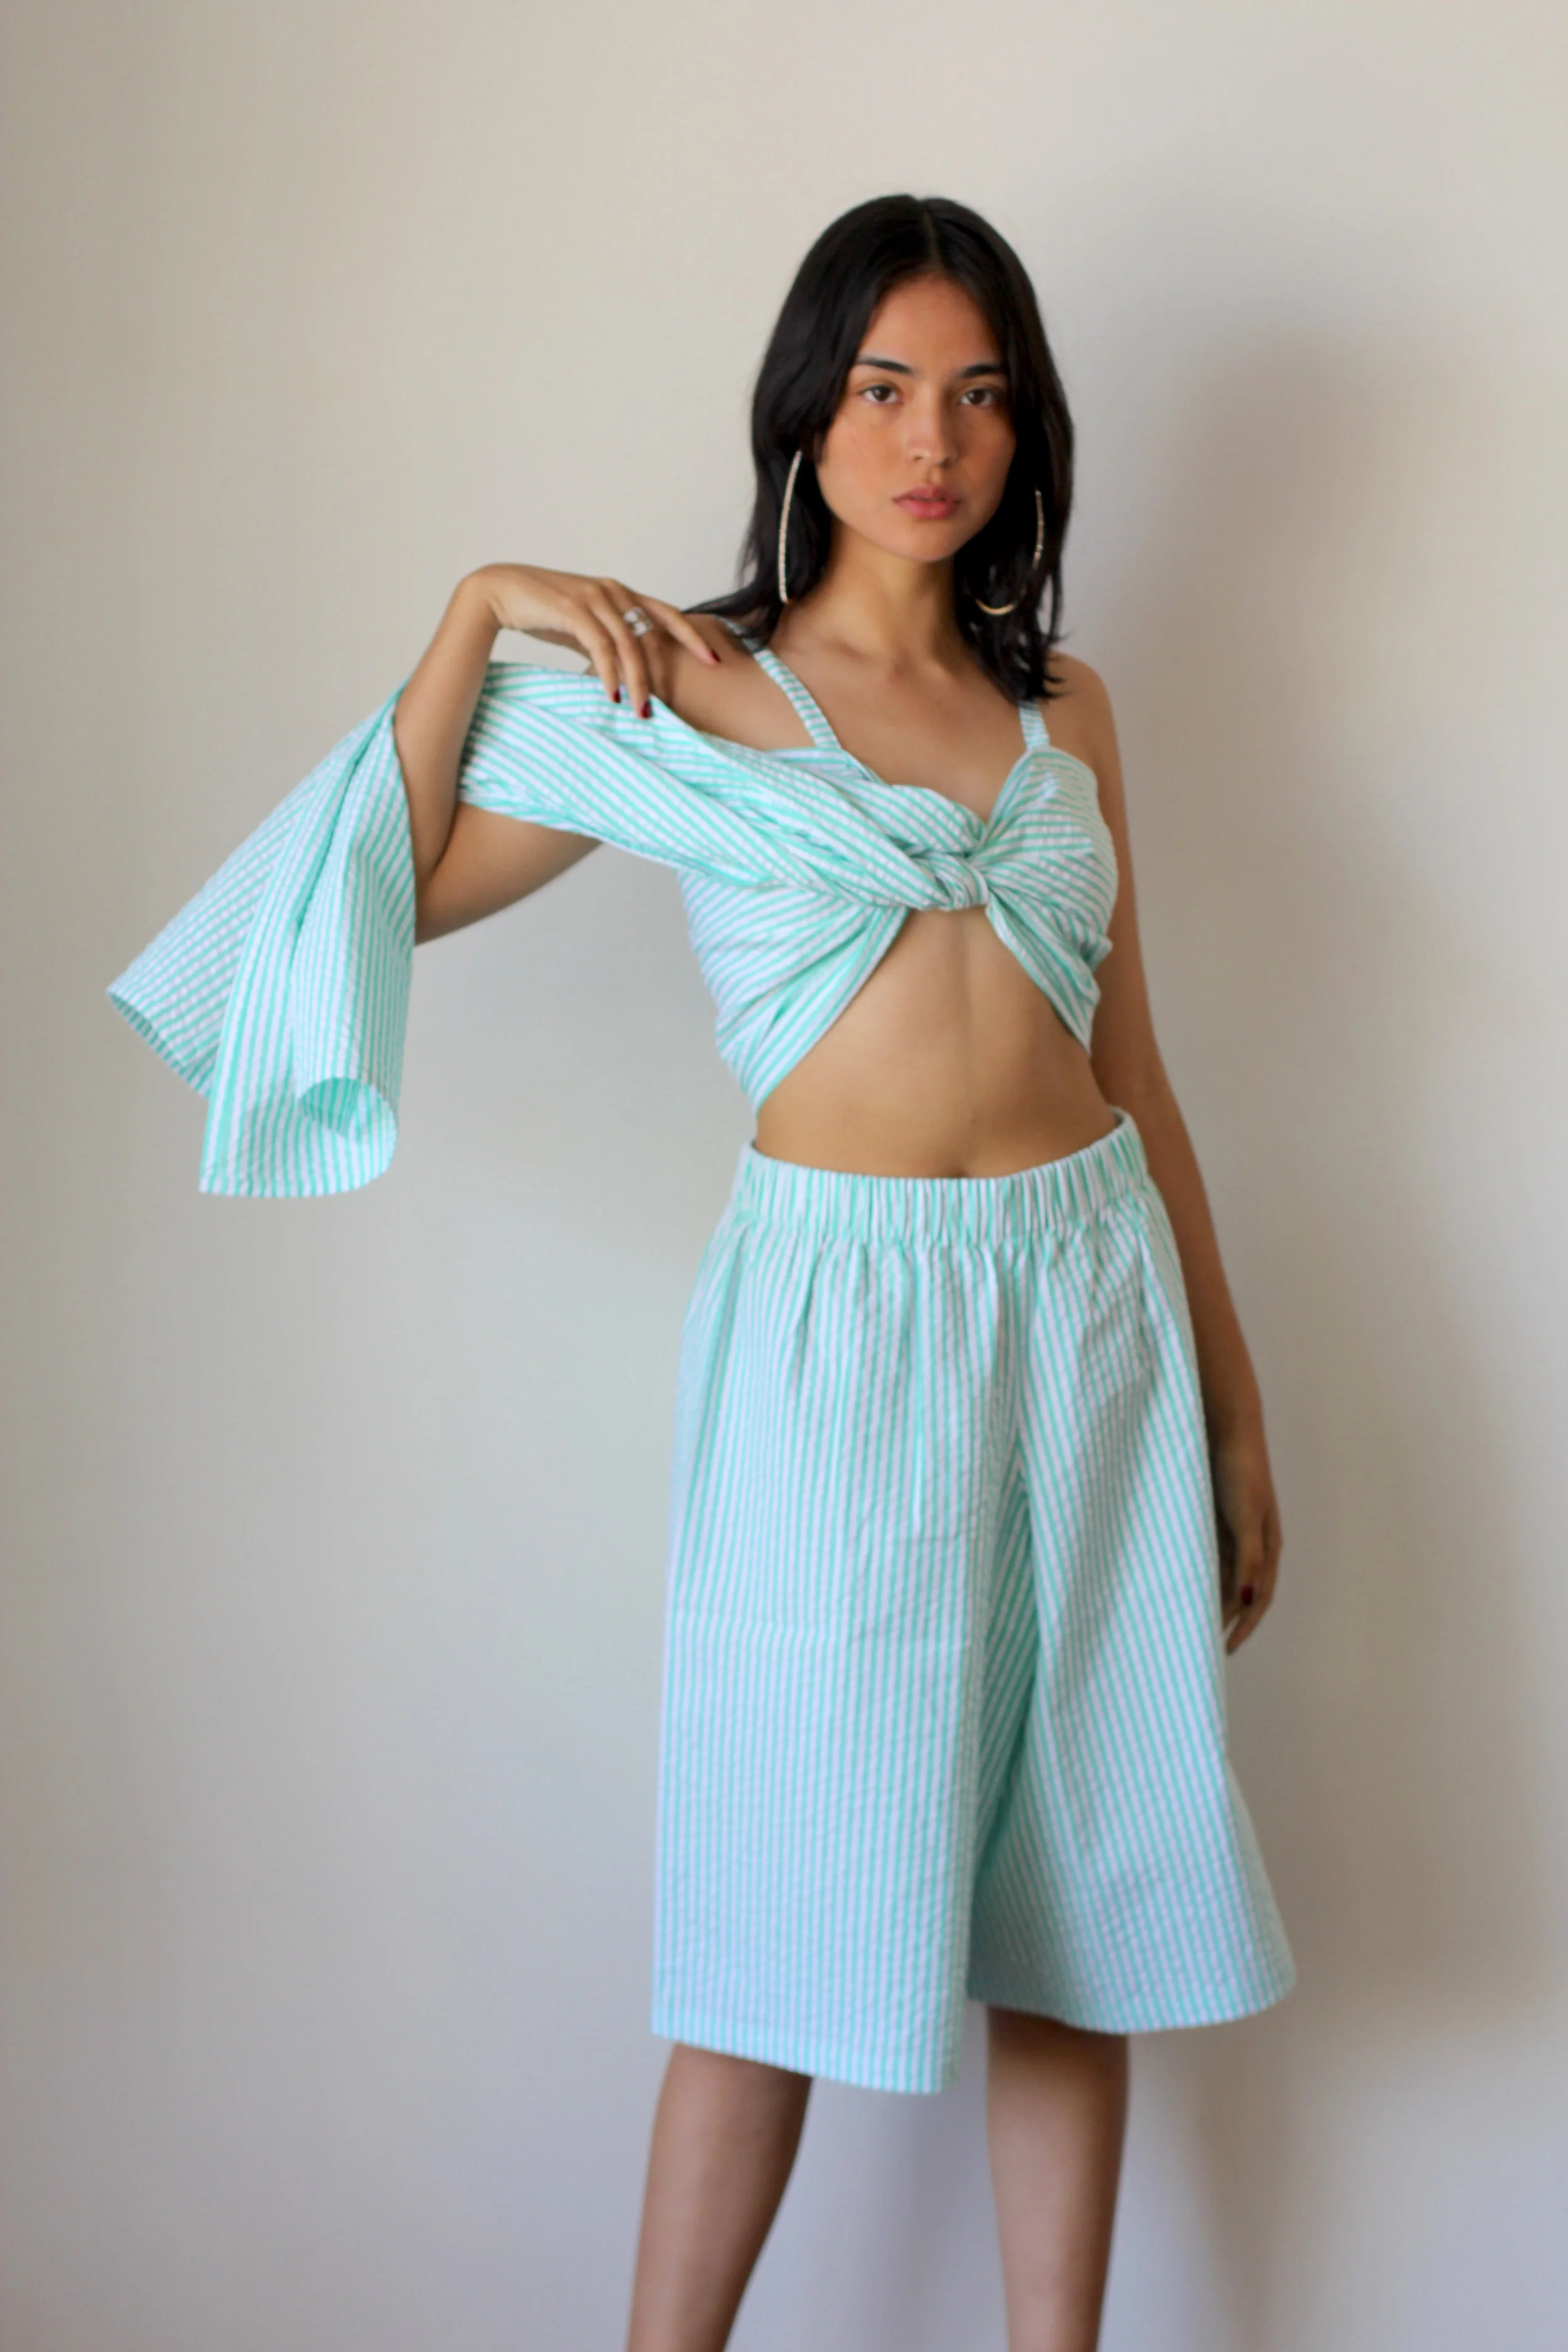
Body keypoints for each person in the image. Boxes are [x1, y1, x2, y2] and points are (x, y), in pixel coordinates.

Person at [110, 193, 1294, 2352]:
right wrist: (477, 609)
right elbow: (385, 877)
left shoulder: (1067, 706)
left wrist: (1230, 1398)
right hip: (838, 1333)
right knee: (776, 1913)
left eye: (978, 396)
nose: (928, 439)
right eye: (883, 387)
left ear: (1023, 433)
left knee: (1079, 1916)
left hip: (1090, 1305)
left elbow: (1138, 1070)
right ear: (806, 410)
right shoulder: (685, 687)